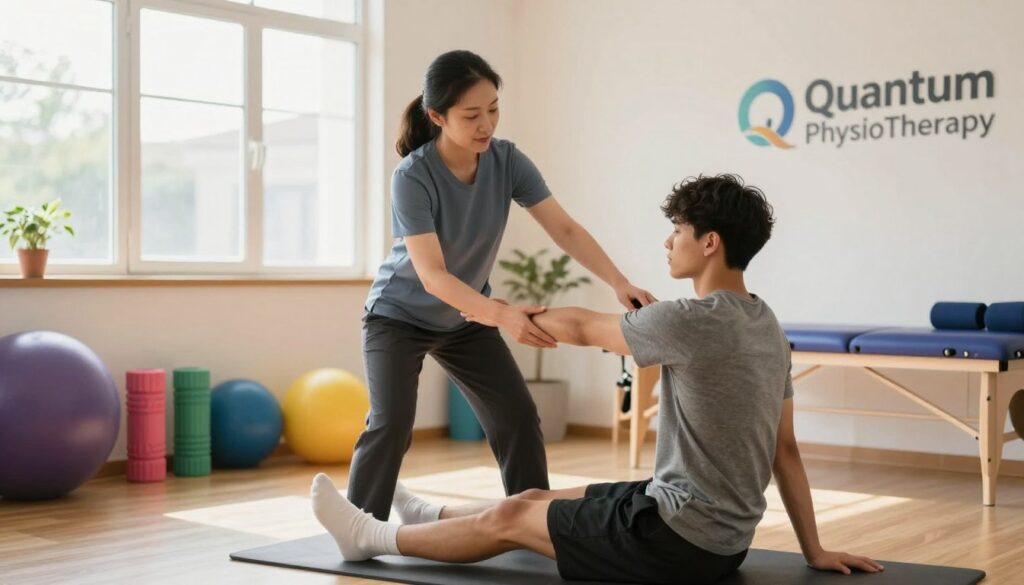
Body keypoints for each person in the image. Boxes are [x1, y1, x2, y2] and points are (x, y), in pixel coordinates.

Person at [311, 174, 884, 584]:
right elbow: (786, 450)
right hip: (720, 540)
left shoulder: (690, 321)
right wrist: (815, 550)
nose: (668, 241)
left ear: (710, 243)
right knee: (536, 496)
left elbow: (583, 327)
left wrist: (504, 314)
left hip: (675, 542)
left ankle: (367, 538)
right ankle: (424, 516)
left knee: (512, 519)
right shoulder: (767, 325)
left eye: (678, 230)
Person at [348, 49, 656, 521]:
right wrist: (502, 315)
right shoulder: (413, 176)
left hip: (464, 317)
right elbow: (432, 275)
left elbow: (564, 229)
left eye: (493, 109)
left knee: (516, 417)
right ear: (437, 116)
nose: (486, 124)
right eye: (471, 114)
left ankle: (534, 521)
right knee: (391, 425)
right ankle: (360, 526)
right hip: (398, 316)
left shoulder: (507, 161)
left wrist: (618, 281)